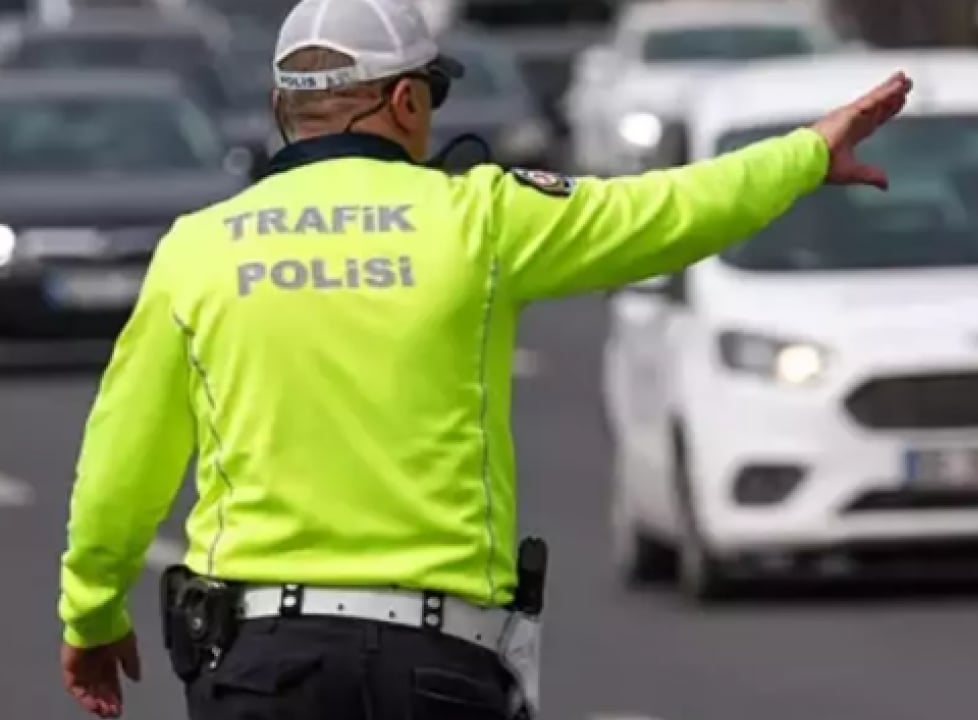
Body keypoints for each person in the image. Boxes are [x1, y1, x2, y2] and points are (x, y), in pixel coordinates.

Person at [55, 0, 913, 717]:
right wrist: (804, 156)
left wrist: (91, 616)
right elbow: (665, 213)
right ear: (402, 104)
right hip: (438, 664)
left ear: (287, 109)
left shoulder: (198, 250)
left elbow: (120, 464)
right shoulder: (481, 219)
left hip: (262, 666)